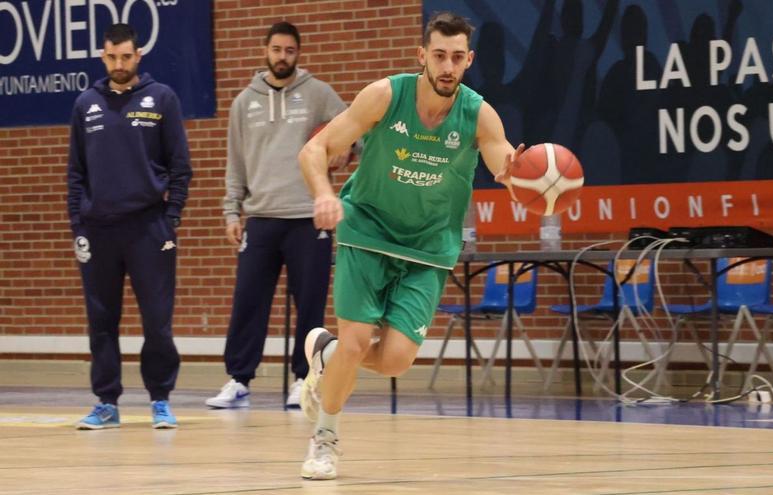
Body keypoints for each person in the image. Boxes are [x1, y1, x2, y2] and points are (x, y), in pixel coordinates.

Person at [296, 12, 524, 480]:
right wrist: (323, 193)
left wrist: (516, 175)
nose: (447, 65)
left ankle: (326, 354)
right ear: (422, 55)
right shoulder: (385, 95)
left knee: (396, 359)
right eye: (439, 55)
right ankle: (325, 439)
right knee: (358, 343)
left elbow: (502, 158)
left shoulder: (478, 113)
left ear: (469, 60)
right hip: (368, 231)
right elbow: (313, 150)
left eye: (457, 57)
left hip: (427, 248)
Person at [206, 21, 354, 409]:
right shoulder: (243, 102)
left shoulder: (318, 93)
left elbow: (354, 129)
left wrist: (346, 151)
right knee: (248, 302)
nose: (282, 57)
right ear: (265, 51)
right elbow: (235, 164)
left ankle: (304, 380)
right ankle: (238, 379)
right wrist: (230, 211)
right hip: (261, 218)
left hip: (309, 218)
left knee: (310, 305)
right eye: (276, 50)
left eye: (289, 51)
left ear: (298, 53)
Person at [67, 23, 192, 429]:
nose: (119, 64)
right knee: (101, 321)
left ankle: (160, 399)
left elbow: (180, 168)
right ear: (103, 58)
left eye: (125, 56)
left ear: (138, 56)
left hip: (149, 229)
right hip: (98, 231)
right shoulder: (86, 104)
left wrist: (170, 220)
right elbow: (75, 173)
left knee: (157, 320)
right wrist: (77, 225)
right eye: (111, 57)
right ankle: (106, 402)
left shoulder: (162, 99)